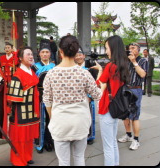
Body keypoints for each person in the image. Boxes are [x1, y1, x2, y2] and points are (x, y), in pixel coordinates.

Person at [43, 35, 102, 166]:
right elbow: (98, 95)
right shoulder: (84, 73)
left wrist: (53, 117)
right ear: (76, 52)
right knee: (79, 157)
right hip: (80, 121)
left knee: (63, 161)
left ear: (60, 51)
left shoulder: (51, 74)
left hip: (59, 122)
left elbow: (47, 101)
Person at [90, 35, 130, 166]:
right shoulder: (123, 65)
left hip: (107, 107)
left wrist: (100, 71)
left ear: (113, 48)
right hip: (116, 107)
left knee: (108, 146)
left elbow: (100, 84)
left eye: (107, 48)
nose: (106, 51)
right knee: (112, 142)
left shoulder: (110, 66)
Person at [7, 46, 40, 166]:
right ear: (20, 58)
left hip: (32, 110)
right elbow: (12, 98)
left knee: (29, 136)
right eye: (28, 54)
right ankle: (18, 160)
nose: (31, 57)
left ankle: (27, 156)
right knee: (20, 137)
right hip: (20, 111)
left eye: (32, 54)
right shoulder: (17, 75)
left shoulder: (32, 71)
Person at [118, 42, 148, 150]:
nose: (130, 50)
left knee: (135, 116)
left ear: (138, 50)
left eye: (133, 48)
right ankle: (128, 135)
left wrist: (134, 62)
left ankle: (136, 140)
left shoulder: (143, 61)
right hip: (126, 89)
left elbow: (143, 74)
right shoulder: (126, 61)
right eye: (129, 48)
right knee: (125, 114)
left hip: (136, 90)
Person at [31, 40, 55, 154]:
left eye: (47, 52)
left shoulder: (54, 66)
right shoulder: (34, 67)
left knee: (51, 119)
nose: (45, 54)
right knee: (39, 120)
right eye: (43, 52)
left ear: (50, 54)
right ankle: (39, 144)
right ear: (39, 54)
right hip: (39, 95)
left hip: (52, 95)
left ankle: (48, 141)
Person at [74, 48, 96, 145]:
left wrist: (90, 96)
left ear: (84, 56)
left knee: (89, 116)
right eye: (76, 55)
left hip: (87, 97)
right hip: (76, 97)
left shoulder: (90, 68)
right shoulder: (73, 68)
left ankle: (90, 136)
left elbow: (94, 83)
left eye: (80, 55)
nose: (78, 57)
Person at [0, 42, 19, 117]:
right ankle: (6, 108)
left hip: (12, 78)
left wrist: (16, 52)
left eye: (9, 48)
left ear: (12, 49)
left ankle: (12, 108)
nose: (7, 49)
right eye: (6, 48)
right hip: (4, 78)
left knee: (12, 92)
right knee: (5, 92)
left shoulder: (14, 58)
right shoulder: (1, 58)